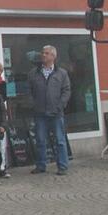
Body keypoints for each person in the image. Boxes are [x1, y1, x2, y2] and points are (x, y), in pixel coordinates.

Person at [28, 44, 71, 175]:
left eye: (46, 53)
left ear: (53, 56)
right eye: (42, 53)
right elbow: (30, 91)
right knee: (40, 140)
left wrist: (61, 105)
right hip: (40, 112)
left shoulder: (61, 73)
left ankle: (62, 166)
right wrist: (33, 104)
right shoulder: (33, 73)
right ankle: (41, 165)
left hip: (56, 112)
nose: (43, 55)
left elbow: (66, 90)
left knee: (60, 140)